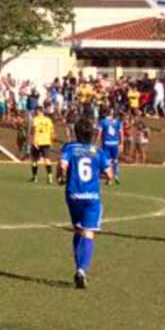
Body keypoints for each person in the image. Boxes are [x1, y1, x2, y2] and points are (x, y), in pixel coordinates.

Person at [56, 117, 114, 289]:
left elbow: (62, 164)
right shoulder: (98, 151)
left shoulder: (70, 148)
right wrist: (106, 177)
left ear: (76, 133)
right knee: (88, 233)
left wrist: (60, 176)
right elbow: (109, 174)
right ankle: (82, 270)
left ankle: (78, 267)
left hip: (73, 195)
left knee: (78, 229)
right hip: (92, 198)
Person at [96, 108, 123, 185]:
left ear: (105, 113)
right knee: (115, 160)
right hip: (115, 143)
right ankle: (116, 175)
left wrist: (96, 142)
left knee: (107, 161)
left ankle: (109, 179)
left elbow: (99, 133)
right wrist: (121, 143)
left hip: (106, 143)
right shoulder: (117, 122)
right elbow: (121, 133)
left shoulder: (103, 121)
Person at [29, 108, 55, 183]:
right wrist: (51, 139)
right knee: (47, 159)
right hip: (46, 141)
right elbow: (52, 131)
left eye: (36, 111)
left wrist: (33, 141)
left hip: (37, 141)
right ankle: (50, 177)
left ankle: (35, 177)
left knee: (34, 159)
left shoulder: (35, 119)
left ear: (38, 111)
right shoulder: (48, 120)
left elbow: (33, 131)